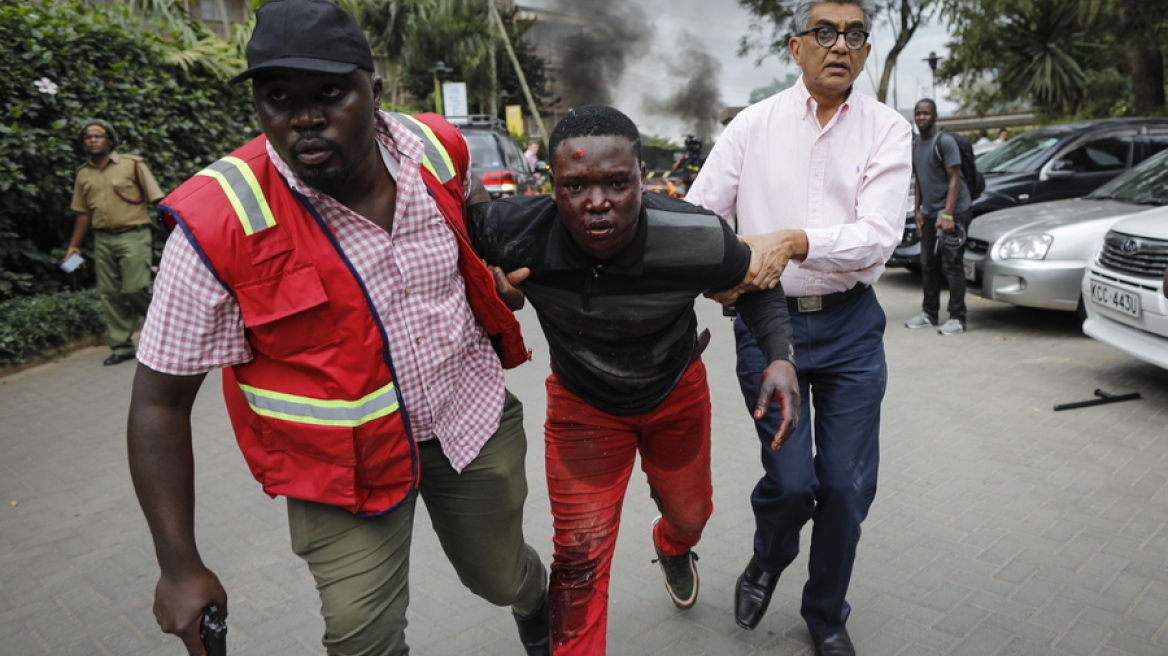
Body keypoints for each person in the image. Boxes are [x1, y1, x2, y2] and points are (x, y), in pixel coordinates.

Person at [125, 1, 548, 655]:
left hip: (469, 424)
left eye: (329, 93)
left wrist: (488, 266)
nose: (303, 118)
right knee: (360, 638)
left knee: (499, 578)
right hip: (338, 471)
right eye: (278, 98)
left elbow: (475, 212)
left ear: (373, 91)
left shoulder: (437, 147)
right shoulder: (216, 222)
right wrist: (179, 565)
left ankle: (535, 604)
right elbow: (157, 403)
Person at [469, 105, 800, 655]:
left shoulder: (695, 235)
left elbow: (756, 284)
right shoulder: (514, 234)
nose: (597, 202)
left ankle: (673, 546)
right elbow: (453, 223)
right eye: (576, 185)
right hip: (583, 409)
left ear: (642, 179)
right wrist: (486, 282)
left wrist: (780, 358)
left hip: (676, 396)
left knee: (692, 515)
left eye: (617, 183)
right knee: (578, 558)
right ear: (552, 187)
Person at [686, 1, 912, 654]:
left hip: (850, 331)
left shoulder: (888, 130)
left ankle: (825, 615)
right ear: (796, 47)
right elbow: (701, 217)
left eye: (854, 35)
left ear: (866, 52)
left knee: (844, 488)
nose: (839, 45)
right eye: (824, 32)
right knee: (792, 483)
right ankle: (769, 555)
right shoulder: (752, 127)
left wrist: (791, 240)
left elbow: (876, 238)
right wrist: (718, 267)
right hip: (766, 327)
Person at [67, 119, 165, 366]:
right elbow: (83, 213)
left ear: (109, 140)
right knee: (109, 294)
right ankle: (121, 346)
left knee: (135, 287)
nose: (93, 140)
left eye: (98, 136)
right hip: (102, 238)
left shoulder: (132, 165)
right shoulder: (83, 173)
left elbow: (158, 200)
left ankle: (166, 327)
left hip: (134, 234)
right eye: (88, 137)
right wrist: (73, 246)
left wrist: (175, 232)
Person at [904, 98, 972, 335]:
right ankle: (929, 313)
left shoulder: (945, 141)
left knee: (951, 264)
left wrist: (948, 214)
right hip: (930, 213)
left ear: (934, 116)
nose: (921, 117)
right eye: (918, 113)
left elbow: (954, 178)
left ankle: (957, 317)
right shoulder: (915, 145)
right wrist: (918, 210)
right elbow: (920, 179)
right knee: (927, 264)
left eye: (926, 113)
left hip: (954, 211)